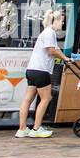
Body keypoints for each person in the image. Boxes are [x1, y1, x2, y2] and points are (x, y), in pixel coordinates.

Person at [18, 9, 65, 139]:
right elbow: (52, 51)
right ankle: (36, 128)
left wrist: (62, 54)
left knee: (27, 99)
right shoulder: (50, 33)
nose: (62, 23)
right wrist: (66, 59)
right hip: (41, 71)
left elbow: (55, 49)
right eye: (62, 20)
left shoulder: (45, 33)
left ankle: (22, 129)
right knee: (46, 98)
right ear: (55, 20)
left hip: (31, 70)